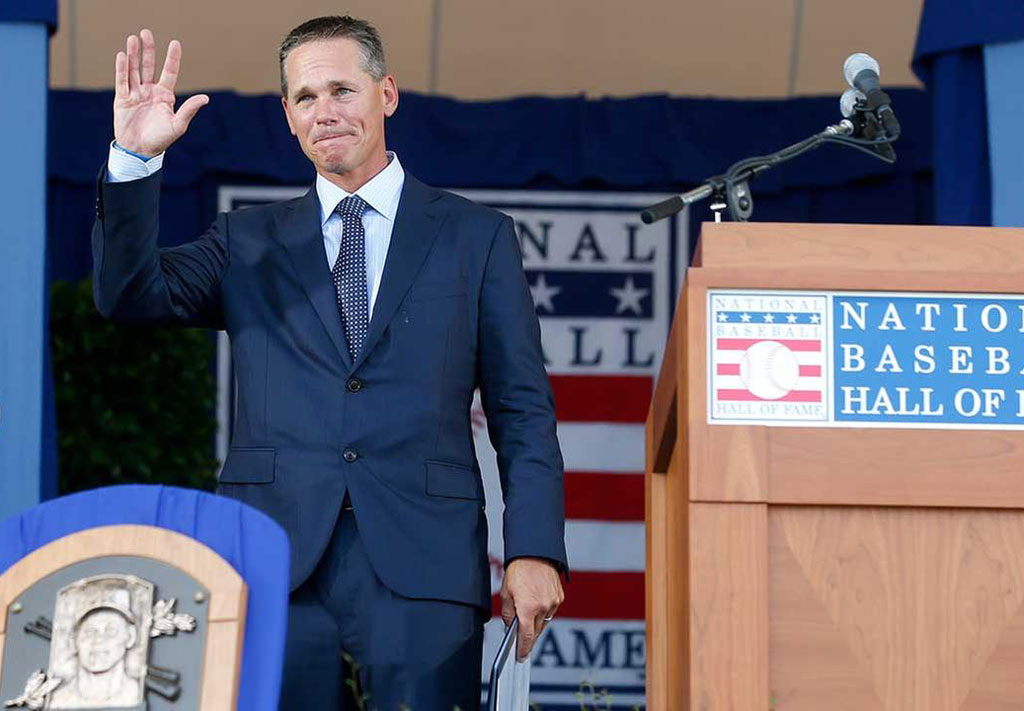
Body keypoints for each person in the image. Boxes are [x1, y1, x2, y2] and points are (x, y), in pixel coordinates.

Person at [92, 16, 567, 710]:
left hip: (423, 571)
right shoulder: (246, 239)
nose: (325, 112)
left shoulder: (475, 236)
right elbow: (129, 296)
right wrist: (133, 161)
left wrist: (534, 548)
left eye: (342, 89)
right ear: (287, 116)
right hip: (275, 566)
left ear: (388, 94)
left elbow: (522, 410)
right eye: (306, 98)